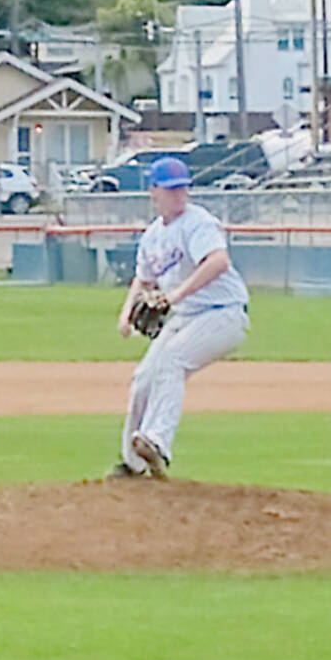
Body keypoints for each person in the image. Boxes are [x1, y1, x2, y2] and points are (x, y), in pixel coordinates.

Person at [109, 156, 250, 478]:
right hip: (187, 317)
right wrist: (126, 313)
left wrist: (174, 296)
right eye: (170, 189)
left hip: (223, 314)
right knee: (143, 379)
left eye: (182, 188)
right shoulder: (153, 235)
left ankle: (157, 441)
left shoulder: (198, 223)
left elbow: (218, 262)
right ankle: (134, 465)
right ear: (153, 192)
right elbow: (144, 279)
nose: (178, 195)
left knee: (172, 361)